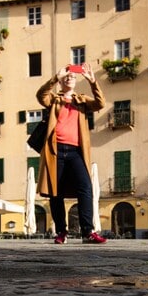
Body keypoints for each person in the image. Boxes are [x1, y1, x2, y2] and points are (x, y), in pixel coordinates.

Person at [35, 64, 107, 244]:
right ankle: (61, 232)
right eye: (66, 76)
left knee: (86, 188)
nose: (69, 78)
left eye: (72, 77)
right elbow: (40, 96)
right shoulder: (53, 99)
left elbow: (101, 103)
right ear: (60, 81)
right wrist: (54, 78)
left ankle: (87, 232)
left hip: (76, 151)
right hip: (55, 150)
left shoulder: (81, 100)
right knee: (55, 192)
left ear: (76, 82)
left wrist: (93, 82)